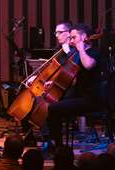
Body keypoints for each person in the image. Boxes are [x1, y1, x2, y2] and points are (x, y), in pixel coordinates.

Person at [43, 24, 102, 154]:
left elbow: (89, 66)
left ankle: (58, 147)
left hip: (92, 99)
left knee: (53, 109)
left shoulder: (94, 52)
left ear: (84, 37)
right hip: (80, 96)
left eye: (74, 37)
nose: (71, 41)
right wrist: (53, 83)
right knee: (49, 102)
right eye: (70, 38)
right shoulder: (78, 54)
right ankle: (52, 142)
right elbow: (72, 77)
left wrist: (81, 50)